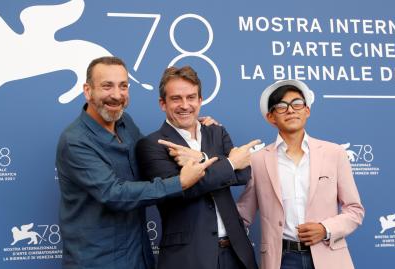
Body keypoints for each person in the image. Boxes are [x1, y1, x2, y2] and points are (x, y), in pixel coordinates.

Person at [55, 57, 217, 269]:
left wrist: (193, 129)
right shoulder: (75, 141)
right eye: (107, 86)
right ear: (88, 91)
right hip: (96, 261)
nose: (116, 95)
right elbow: (114, 193)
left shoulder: (125, 123)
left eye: (123, 86)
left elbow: (153, 153)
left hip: (139, 255)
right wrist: (180, 183)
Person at [136, 66, 260, 269]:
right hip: (188, 257)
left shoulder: (217, 132)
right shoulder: (153, 144)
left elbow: (244, 173)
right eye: (176, 98)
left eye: (191, 97)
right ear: (162, 104)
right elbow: (181, 190)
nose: (185, 105)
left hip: (237, 253)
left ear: (200, 100)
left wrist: (200, 158)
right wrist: (229, 163)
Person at [237, 79, 365, 269]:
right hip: (281, 260)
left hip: (328, 255)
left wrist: (325, 229)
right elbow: (242, 216)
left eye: (297, 104)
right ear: (271, 117)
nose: (290, 110)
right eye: (281, 106)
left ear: (307, 111)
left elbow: (355, 210)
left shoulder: (334, 153)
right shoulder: (257, 160)